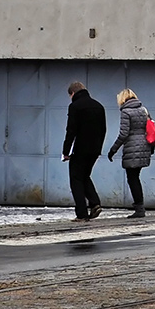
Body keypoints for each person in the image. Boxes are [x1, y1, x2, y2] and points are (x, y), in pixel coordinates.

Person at [62, 80, 107, 222]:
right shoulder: (99, 106)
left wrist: (66, 151)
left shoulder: (75, 107)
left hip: (80, 149)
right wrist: (99, 148)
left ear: (73, 93)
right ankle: (94, 203)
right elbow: (103, 129)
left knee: (76, 179)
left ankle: (81, 213)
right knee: (85, 175)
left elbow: (71, 130)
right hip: (94, 150)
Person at [107, 88, 153, 218]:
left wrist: (113, 149)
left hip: (132, 148)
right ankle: (139, 207)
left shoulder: (126, 112)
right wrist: (151, 148)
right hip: (144, 146)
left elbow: (124, 134)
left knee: (132, 179)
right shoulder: (144, 110)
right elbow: (150, 128)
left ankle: (139, 208)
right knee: (135, 177)